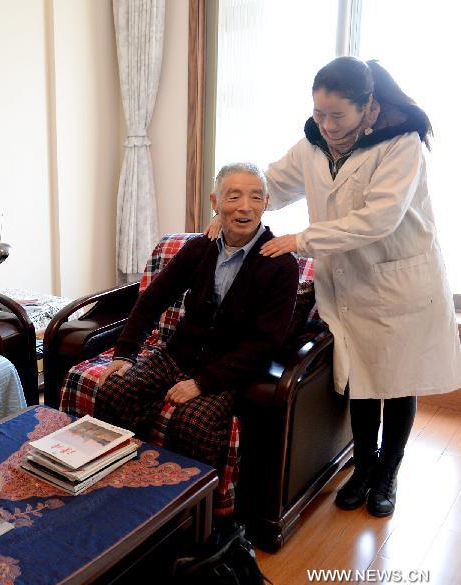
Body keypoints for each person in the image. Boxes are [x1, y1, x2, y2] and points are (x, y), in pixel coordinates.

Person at [209, 56, 461, 517]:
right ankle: (363, 468)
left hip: (398, 280)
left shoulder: (400, 144)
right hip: (348, 283)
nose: (325, 125)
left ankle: (388, 473)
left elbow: (379, 219)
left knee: (397, 382)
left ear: (368, 109)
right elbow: (273, 185)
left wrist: (301, 240)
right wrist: (231, 208)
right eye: (319, 113)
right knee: (361, 379)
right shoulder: (314, 144)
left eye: (336, 116)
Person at [97, 163, 299, 515]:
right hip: (179, 353)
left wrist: (202, 383)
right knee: (116, 388)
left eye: (254, 197)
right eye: (233, 196)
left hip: (229, 369)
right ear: (215, 202)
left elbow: (265, 343)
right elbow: (152, 299)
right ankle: (113, 489)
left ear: (266, 202)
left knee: (193, 423)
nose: (244, 206)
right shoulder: (199, 248)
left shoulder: (280, 263)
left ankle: (188, 517)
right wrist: (126, 353)